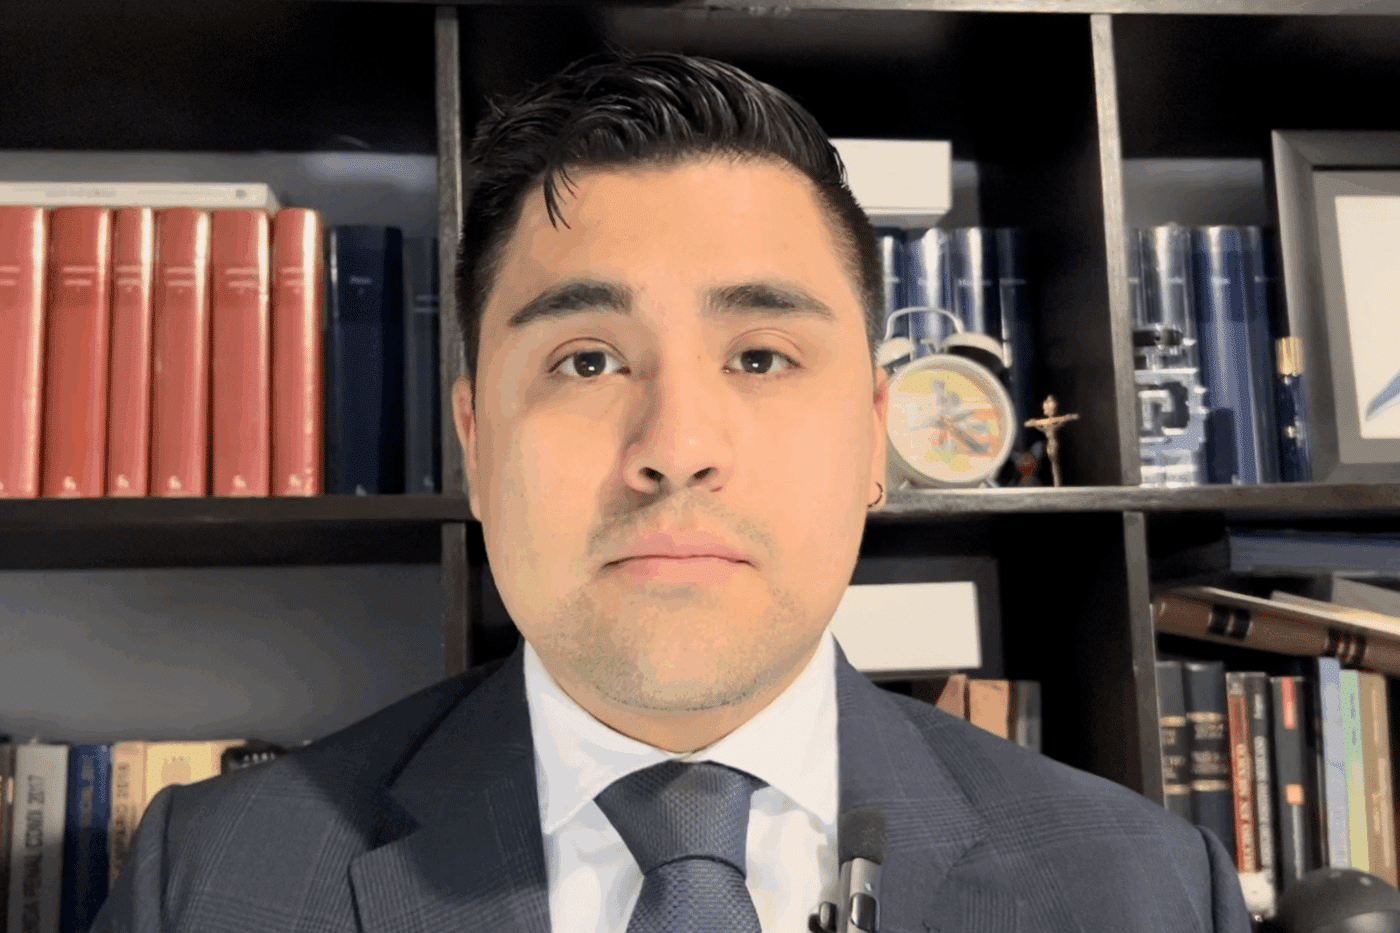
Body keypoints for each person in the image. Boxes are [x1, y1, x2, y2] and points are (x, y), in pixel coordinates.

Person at [92, 48, 1250, 933]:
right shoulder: (210, 880)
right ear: (476, 446)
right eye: (587, 360)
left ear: (871, 438)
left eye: (761, 356)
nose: (676, 446)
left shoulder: (1146, 889)